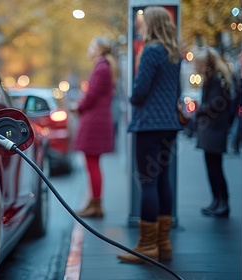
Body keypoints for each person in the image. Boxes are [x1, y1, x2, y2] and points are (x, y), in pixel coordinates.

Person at [117, 6, 182, 263]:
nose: (139, 25)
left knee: (148, 182)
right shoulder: (174, 53)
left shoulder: (151, 51)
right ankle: (163, 244)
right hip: (169, 126)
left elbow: (140, 91)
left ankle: (146, 246)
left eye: (143, 21)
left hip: (149, 126)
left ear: (151, 24)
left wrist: (133, 96)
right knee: (163, 180)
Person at [72, 36, 117, 218]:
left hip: (94, 121)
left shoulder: (101, 68)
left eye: (92, 46)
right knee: (93, 163)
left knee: (92, 163)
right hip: (98, 119)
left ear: (99, 49)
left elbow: (91, 95)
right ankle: (94, 202)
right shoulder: (105, 67)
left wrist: (78, 107)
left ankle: (96, 205)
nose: (89, 49)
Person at [193, 46, 233, 218]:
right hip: (212, 129)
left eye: (198, 64)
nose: (196, 67)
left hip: (215, 129)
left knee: (215, 168)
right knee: (212, 167)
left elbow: (214, 105)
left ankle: (222, 202)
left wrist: (199, 110)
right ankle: (217, 201)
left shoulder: (216, 80)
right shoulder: (213, 78)